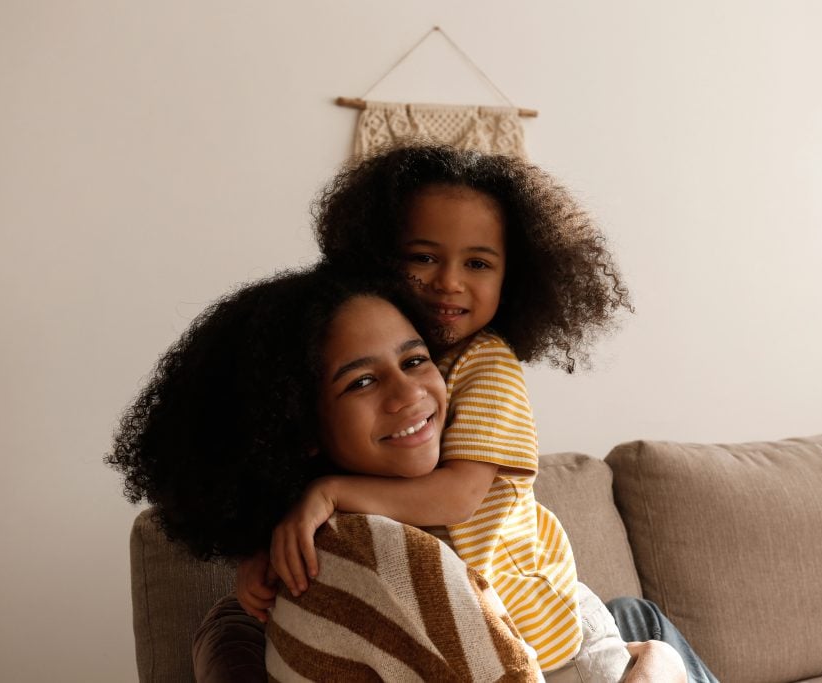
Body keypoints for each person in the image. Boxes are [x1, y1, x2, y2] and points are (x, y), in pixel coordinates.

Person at [239, 145, 716, 681]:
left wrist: (328, 494)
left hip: (540, 631)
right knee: (635, 613)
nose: (449, 281)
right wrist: (275, 546)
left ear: (513, 277)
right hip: (483, 624)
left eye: (478, 263)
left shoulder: (487, 363)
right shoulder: (374, 361)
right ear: (379, 259)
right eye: (422, 257)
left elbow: (460, 496)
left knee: (638, 629)